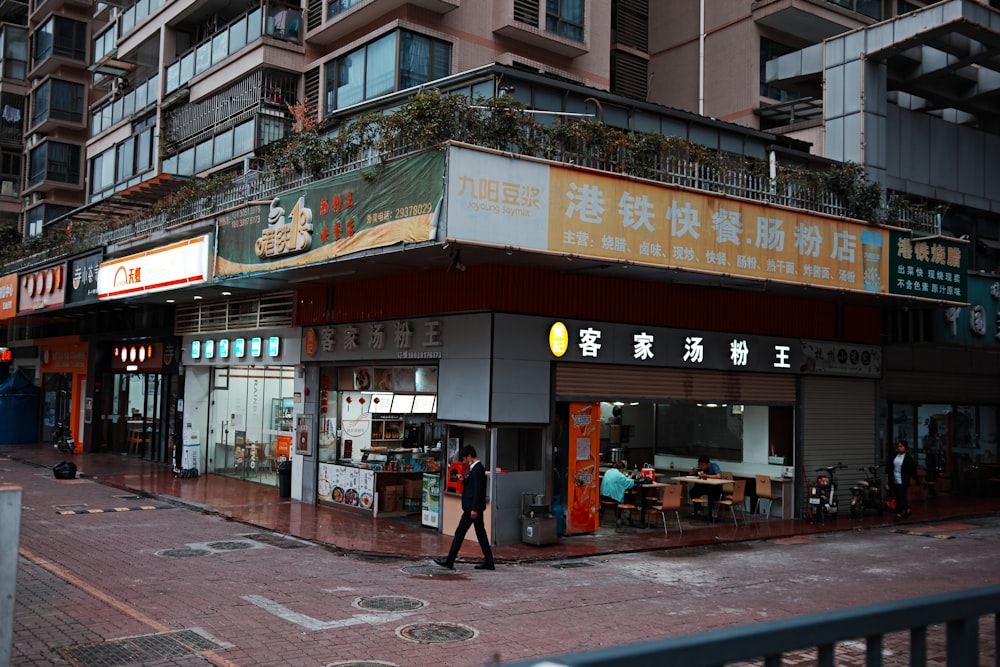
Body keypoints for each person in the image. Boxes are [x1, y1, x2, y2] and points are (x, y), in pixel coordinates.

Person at [434, 445, 495, 570]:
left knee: (459, 533)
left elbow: (478, 491)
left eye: (464, 459)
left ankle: (450, 560)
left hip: (471, 509)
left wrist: (474, 509)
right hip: (474, 508)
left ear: (469, 456)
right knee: (480, 534)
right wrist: (464, 480)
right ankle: (489, 560)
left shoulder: (477, 469)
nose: (463, 462)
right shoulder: (476, 469)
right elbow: (474, 486)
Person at [887, 439, 920, 520]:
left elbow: (913, 470)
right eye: (898, 446)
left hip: (903, 480)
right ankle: (907, 510)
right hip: (894, 479)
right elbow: (890, 466)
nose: (899, 448)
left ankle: (898, 513)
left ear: (905, 448)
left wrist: (917, 480)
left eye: (901, 446)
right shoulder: (894, 456)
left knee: (900, 497)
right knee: (899, 496)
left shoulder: (908, 458)